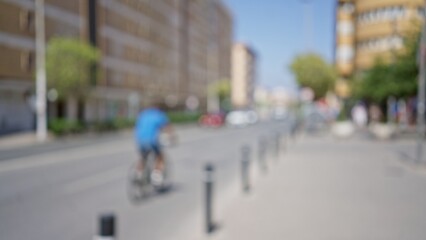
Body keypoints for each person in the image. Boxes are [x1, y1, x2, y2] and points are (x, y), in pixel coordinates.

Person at [135, 104, 174, 183]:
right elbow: (167, 127)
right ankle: (156, 175)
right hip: (151, 140)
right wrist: (171, 137)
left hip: (140, 140)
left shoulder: (144, 114)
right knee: (160, 156)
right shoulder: (159, 115)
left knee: (143, 158)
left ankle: (139, 173)